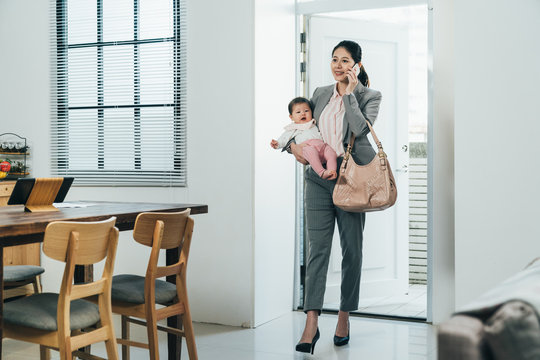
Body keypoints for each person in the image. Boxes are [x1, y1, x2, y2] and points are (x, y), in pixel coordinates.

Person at [291, 40, 382, 354]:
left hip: (351, 179)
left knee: (352, 250)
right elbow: (303, 128)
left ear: (356, 65)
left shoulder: (369, 95)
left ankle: (344, 315)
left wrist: (350, 97)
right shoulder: (318, 93)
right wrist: (295, 149)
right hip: (317, 180)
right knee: (317, 250)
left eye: (345, 60)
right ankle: (311, 322)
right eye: (334, 59)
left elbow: (361, 129)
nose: (338, 65)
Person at [270, 97, 337, 180]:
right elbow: (284, 138)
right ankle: (322, 172)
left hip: (322, 146)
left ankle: (331, 171)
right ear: (291, 117)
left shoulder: (313, 123)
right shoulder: (293, 128)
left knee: (331, 153)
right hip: (307, 147)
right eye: (298, 112)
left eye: (306, 111)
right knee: (311, 151)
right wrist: (277, 143)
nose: (303, 114)